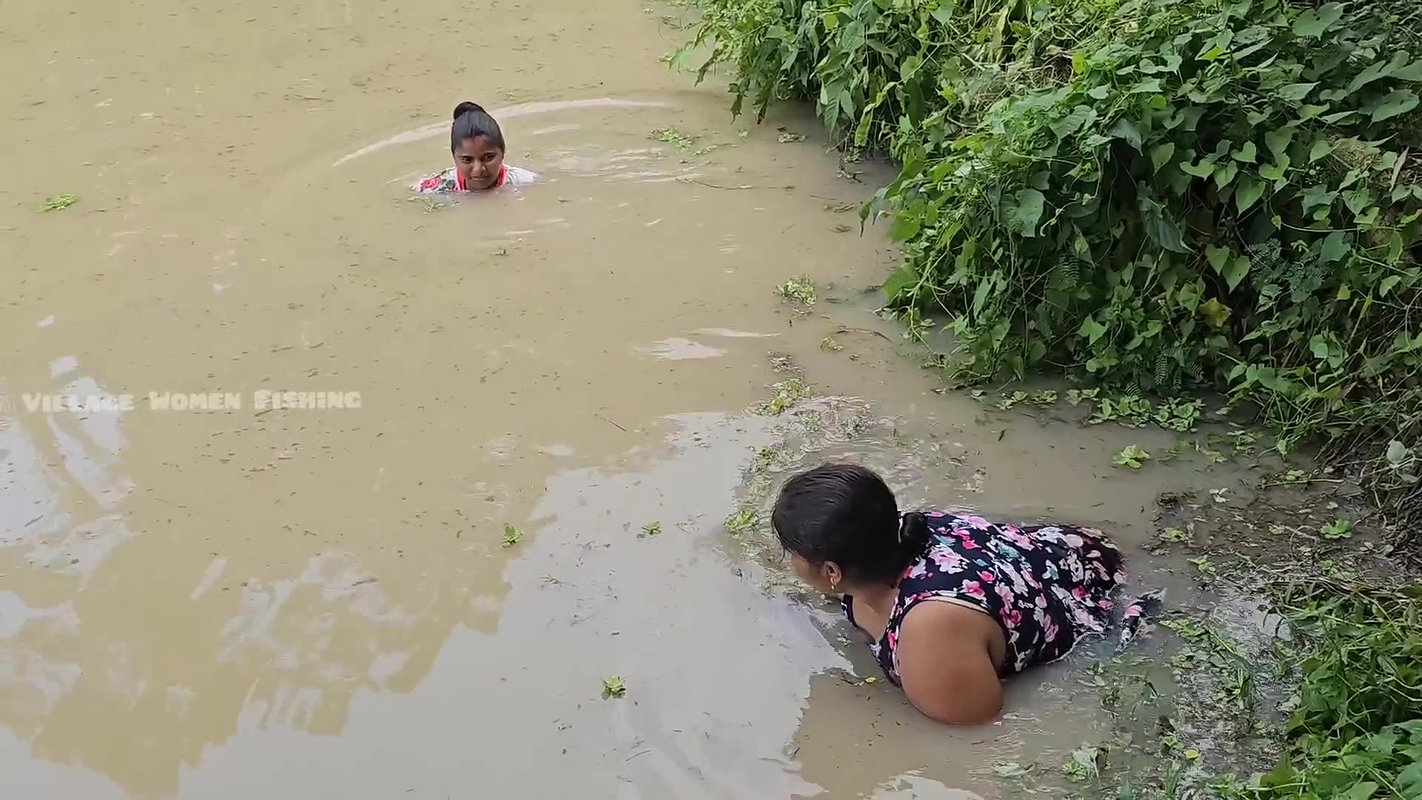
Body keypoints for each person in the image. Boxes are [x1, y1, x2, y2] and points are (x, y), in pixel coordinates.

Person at [772, 463, 1129, 725]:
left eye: (793, 552)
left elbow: (977, 721)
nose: (789, 561)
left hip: (1103, 607)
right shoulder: (896, 534)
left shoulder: (931, 626)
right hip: (1073, 554)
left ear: (832, 572)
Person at [414, 102, 536, 193]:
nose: (478, 170)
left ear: (503, 152)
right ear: (454, 158)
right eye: (467, 160)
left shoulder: (525, 182)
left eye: (488, 157)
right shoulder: (437, 188)